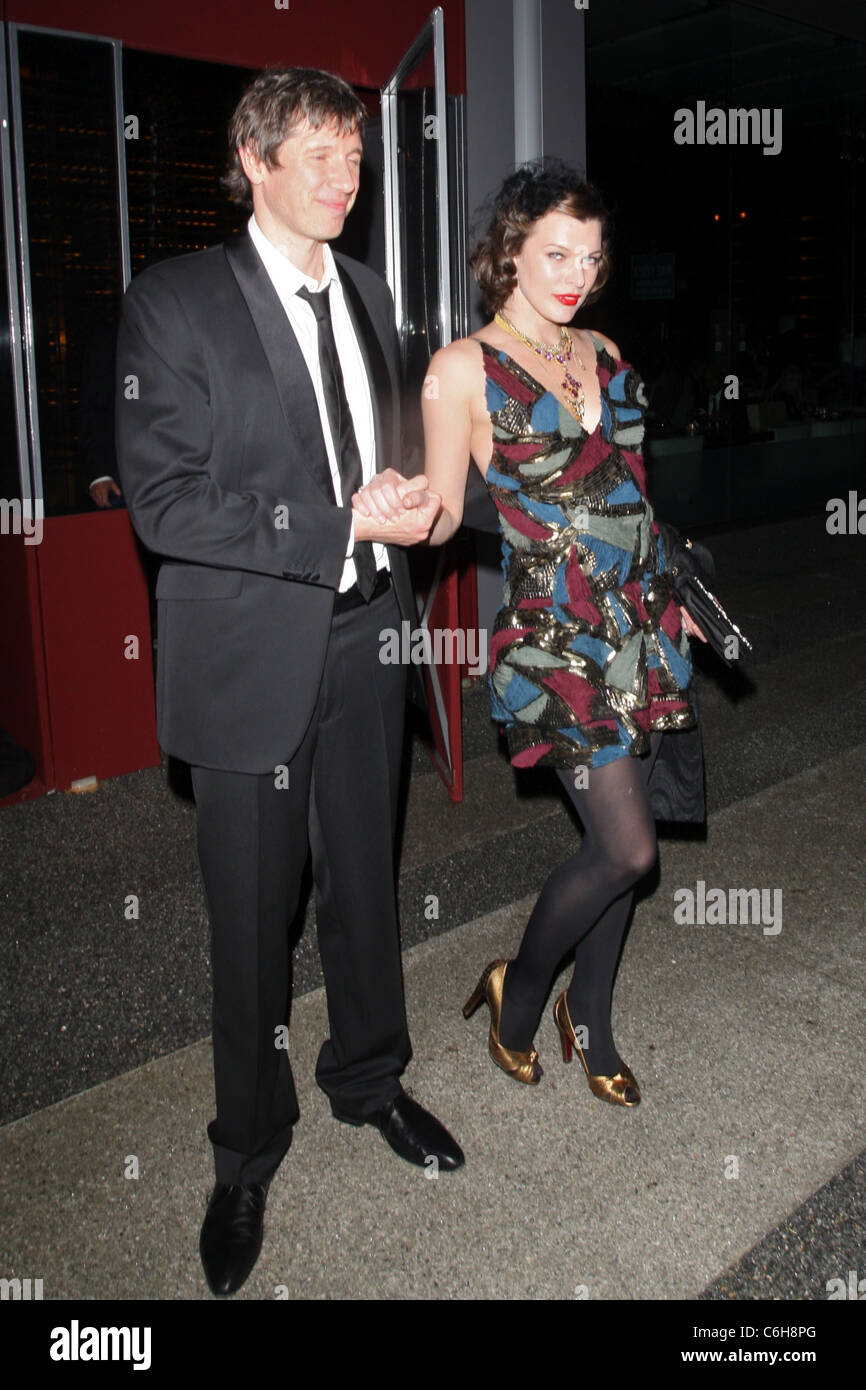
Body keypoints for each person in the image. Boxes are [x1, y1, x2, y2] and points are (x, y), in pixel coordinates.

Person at [115, 66, 463, 1299]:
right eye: (316, 151)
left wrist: (409, 499)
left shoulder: (368, 293)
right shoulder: (175, 303)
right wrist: (330, 525)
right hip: (247, 655)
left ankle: (369, 1078)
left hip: (369, 635)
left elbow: (379, 454)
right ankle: (246, 1152)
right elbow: (163, 501)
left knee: (365, 880)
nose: (342, 174)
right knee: (252, 923)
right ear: (252, 161)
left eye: (353, 154)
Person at [354, 160, 706, 1108]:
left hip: (636, 629)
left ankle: (589, 1019)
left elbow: (633, 488)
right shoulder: (459, 370)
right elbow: (435, 515)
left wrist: (670, 588)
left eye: (590, 257)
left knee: (614, 843)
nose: (575, 274)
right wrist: (379, 500)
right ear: (508, 251)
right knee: (629, 850)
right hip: (554, 644)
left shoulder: (604, 348)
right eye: (555, 253)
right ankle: (523, 989)